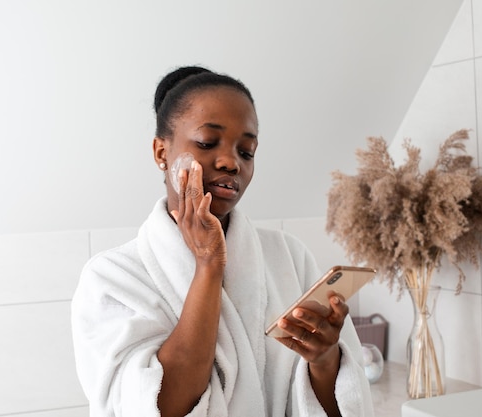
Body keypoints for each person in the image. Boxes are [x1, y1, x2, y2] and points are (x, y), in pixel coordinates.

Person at [71, 66, 373, 417]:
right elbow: (157, 408)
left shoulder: (288, 256)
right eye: (206, 142)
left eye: (246, 151)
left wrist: (324, 359)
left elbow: (341, 402)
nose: (231, 162)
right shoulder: (111, 278)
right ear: (161, 152)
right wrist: (208, 265)